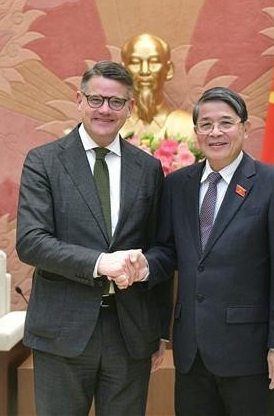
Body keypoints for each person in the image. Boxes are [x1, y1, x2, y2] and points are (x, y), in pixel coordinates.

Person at [16, 61, 173, 416]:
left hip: (130, 334)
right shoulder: (44, 162)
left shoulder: (147, 169)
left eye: (116, 102)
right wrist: (101, 263)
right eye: (96, 99)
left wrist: (158, 331)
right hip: (62, 332)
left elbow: (161, 249)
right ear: (79, 100)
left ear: (130, 109)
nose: (105, 109)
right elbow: (31, 241)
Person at [144, 87, 274, 416]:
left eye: (226, 123)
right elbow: (167, 257)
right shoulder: (177, 185)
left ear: (246, 128)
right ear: (196, 133)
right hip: (191, 352)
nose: (215, 132)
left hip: (249, 351)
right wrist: (159, 330)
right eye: (206, 124)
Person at [120, 33, 195, 139]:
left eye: (154, 62)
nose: (144, 71)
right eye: (135, 63)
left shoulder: (188, 126)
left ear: (168, 70)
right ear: (123, 71)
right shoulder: (112, 129)